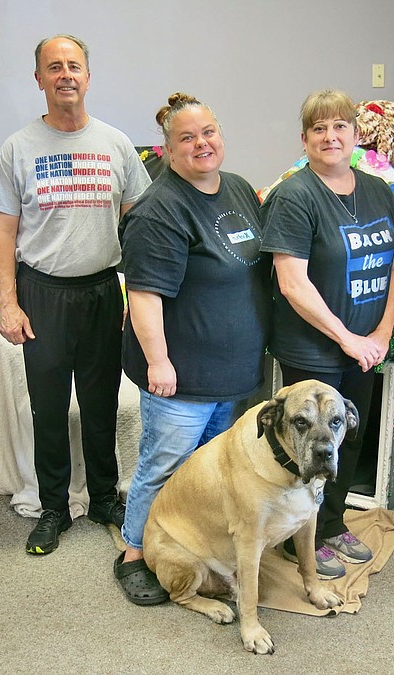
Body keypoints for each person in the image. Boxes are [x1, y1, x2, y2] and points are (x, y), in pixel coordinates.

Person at [0, 35, 151, 555]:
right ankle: (53, 505)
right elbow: (4, 233)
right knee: (50, 409)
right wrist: (9, 303)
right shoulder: (18, 148)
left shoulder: (117, 144)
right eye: (53, 67)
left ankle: (103, 496)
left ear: (87, 76)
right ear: (39, 79)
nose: (65, 75)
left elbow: (141, 223)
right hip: (43, 293)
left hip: (103, 291)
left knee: (101, 404)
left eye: (73, 66)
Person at [114, 93, 271, 605]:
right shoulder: (160, 209)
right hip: (181, 376)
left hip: (231, 372)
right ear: (167, 149)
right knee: (163, 467)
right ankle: (134, 553)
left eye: (209, 132)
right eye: (187, 137)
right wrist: (158, 362)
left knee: (207, 474)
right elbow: (144, 294)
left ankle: (194, 543)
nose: (201, 144)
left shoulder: (242, 190)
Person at [260, 89, 394, 580]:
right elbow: (291, 282)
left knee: (347, 441)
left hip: (367, 344)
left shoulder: (378, 191)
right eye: (318, 129)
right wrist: (348, 338)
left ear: (357, 135)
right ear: (304, 140)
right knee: (309, 446)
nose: (330, 136)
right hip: (314, 350)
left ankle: (334, 521)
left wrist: (382, 331)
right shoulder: (295, 195)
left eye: (340, 126)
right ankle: (299, 536)